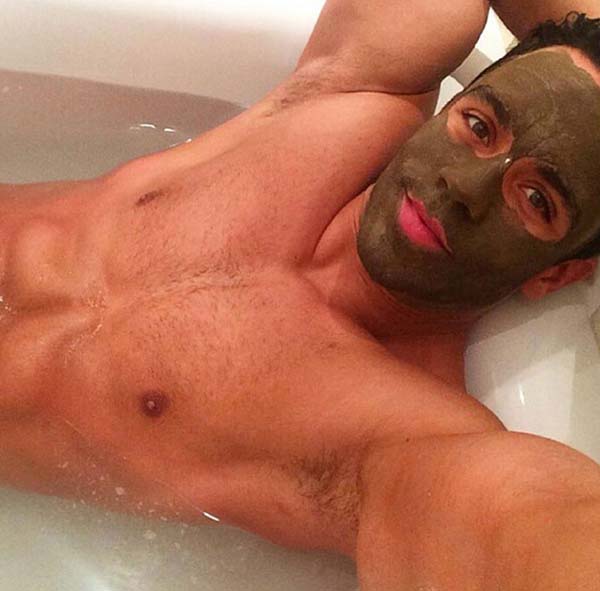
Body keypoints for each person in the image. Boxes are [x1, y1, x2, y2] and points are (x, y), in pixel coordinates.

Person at [1, 0, 600, 588]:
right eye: (480, 126)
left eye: (537, 199)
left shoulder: (404, 434)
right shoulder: (352, 94)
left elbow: (527, 532)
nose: (465, 186)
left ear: (556, 274)